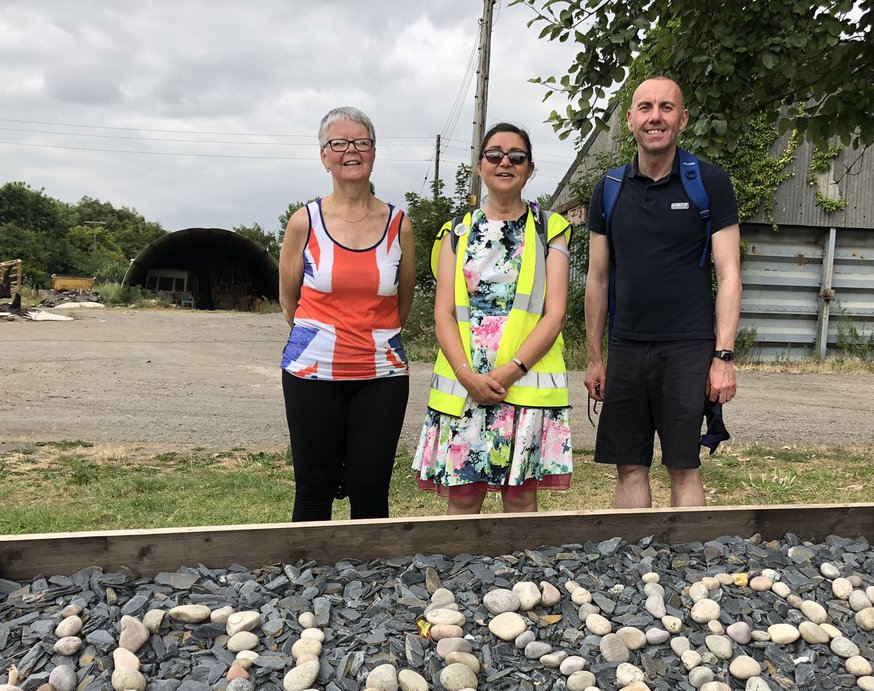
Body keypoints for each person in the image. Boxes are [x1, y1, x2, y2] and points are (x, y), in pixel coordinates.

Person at [584, 77, 741, 508]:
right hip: (627, 346)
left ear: (683, 119)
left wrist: (722, 357)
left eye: (667, 108)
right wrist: (596, 357)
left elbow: (729, 274)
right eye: (646, 107)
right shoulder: (609, 189)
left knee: (682, 465)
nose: (656, 116)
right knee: (629, 464)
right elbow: (597, 278)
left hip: (688, 347)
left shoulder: (708, 183)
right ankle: (631, 569)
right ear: (631, 120)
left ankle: (689, 568)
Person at [413, 123, 573, 514]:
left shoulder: (551, 229)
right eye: (495, 154)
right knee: (463, 494)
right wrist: (467, 375)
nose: (505, 162)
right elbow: (444, 314)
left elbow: (555, 314)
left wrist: (512, 370)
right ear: (480, 166)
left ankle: (520, 577)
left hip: (525, 380)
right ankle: (460, 576)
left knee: (520, 497)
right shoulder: (456, 231)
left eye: (516, 156)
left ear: (530, 169)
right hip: (466, 383)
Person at [278, 106, 415, 521]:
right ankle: (308, 581)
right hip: (311, 374)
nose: (350, 151)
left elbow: (401, 303)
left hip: (381, 375)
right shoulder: (304, 222)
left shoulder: (399, 225)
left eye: (361, 142)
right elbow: (290, 300)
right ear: (324, 156)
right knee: (314, 489)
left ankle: (371, 581)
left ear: (374, 152)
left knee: (370, 489)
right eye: (339, 143)